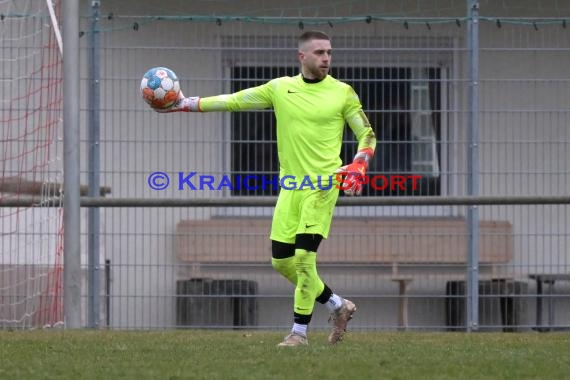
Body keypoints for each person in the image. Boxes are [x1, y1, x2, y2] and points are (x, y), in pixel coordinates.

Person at [152, 30, 377, 346]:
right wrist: (184, 104)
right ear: (302, 57)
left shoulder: (343, 93)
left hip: (324, 186)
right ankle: (338, 305)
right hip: (290, 189)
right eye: (319, 53)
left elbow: (367, 134)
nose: (326, 58)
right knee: (282, 261)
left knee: (303, 259)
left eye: (329, 52)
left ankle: (298, 334)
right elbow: (234, 101)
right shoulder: (280, 88)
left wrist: (359, 164)